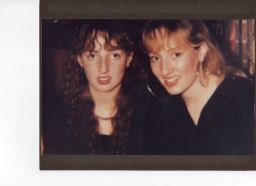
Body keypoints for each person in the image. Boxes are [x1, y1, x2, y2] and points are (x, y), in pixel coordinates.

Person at [142, 20, 255, 154]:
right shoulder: (163, 110)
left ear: (201, 51)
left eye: (176, 55)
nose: (164, 70)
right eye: (155, 58)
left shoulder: (242, 94)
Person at [43, 20, 147, 154]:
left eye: (115, 55)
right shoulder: (55, 115)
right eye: (92, 55)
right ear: (80, 59)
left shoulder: (149, 114)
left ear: (129, 58)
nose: (103, 68)